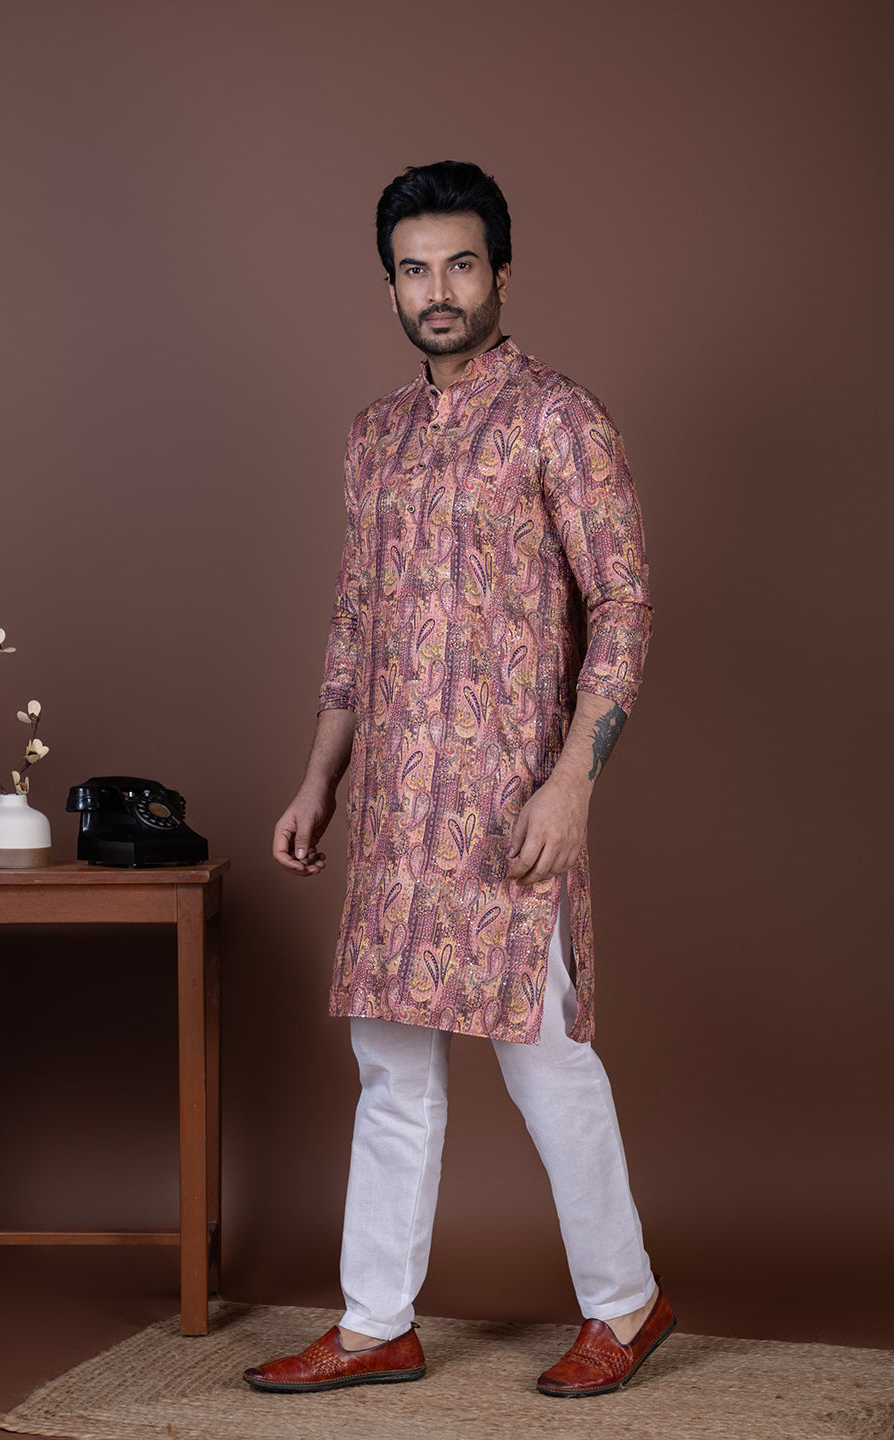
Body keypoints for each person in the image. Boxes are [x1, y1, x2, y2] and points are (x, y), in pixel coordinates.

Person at [244, 160, 674, 1400]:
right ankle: (376, 1323)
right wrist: (319, 782)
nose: (439, 290)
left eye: (461, 265)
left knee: (544, 1061)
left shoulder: (558, 419)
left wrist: (572, 785)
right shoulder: (373, 436)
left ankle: (627, 1303)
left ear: (501, 275)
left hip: (506, 808)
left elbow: (624, 606)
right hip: (394, 811)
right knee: (391, 1069)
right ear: (390, 285)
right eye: (414, 269)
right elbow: (354, 622)